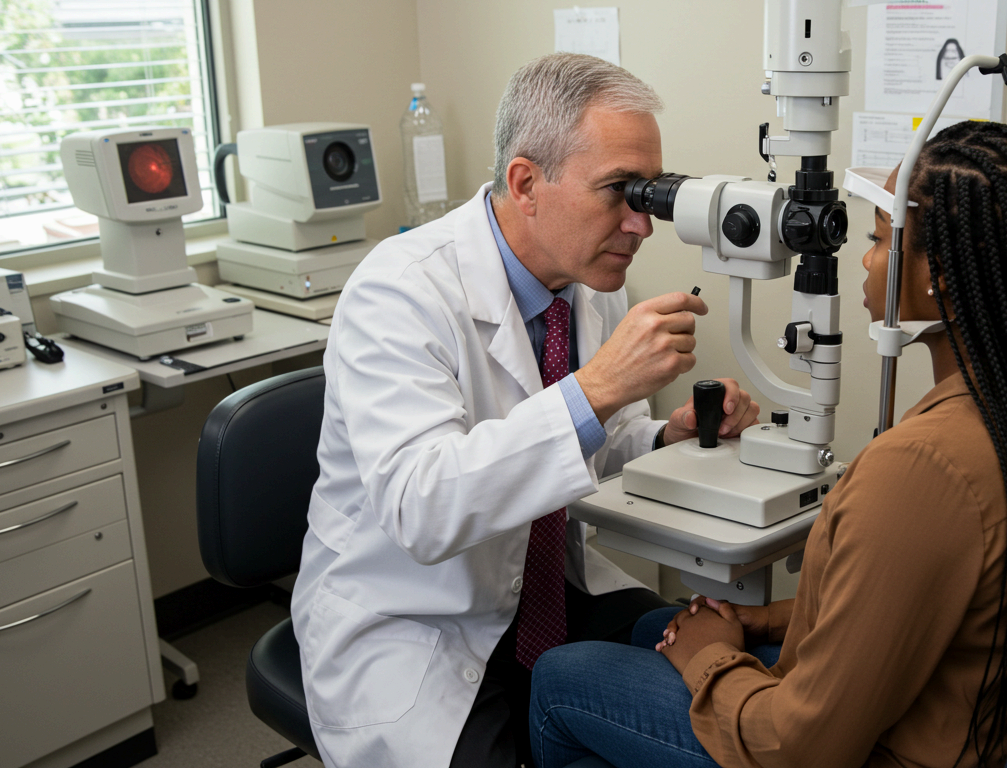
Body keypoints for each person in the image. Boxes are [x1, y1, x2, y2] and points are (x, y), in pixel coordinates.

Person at [528, 121, 1007, 768]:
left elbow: (803, 750)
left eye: (881, 240)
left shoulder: (923, 468)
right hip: (971, 714)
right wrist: (764, 624)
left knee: (564, 675)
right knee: (659, 627)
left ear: (942, 275)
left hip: (873, 750)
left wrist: (712, 656)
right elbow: (925, 609)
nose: (865, 257)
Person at [290, 53, 761, 768]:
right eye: (619, 193)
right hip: (418, 619)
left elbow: (584, 448)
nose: (641, 224)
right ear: (525, 183)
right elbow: (422, 506)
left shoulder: (589, 280)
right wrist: (597, 388)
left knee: (709, 696)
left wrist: (666, 432)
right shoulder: (398, 292)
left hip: (548, 589)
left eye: (651, 194)